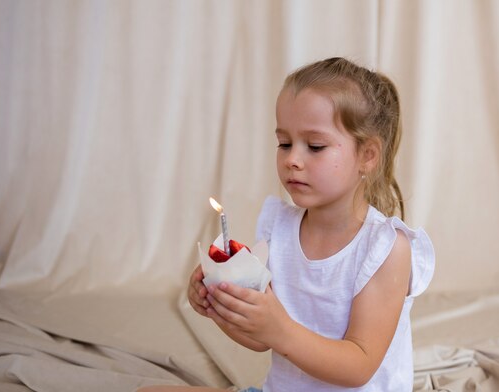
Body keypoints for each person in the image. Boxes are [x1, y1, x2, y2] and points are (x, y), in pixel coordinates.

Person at [139, 57, 434, 392]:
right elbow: (264, 340)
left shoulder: (385, 248)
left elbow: (359, 365)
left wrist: (279, 329)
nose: (293, 159)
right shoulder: (278, 228)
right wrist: (224, 309)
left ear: (367, 155)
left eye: (315, 146)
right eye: (284, 143)